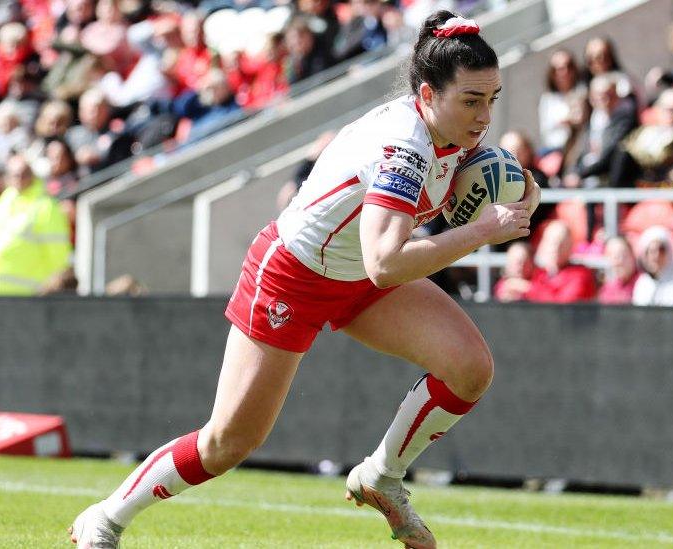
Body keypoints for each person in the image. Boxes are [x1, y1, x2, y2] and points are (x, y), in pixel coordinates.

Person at [68, 12, 540, 549]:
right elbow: (387, 261)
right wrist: (481, 232)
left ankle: (381, 477)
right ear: (429, 94)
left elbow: (458, 204)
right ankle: (104, 519)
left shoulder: (452, 129)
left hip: (358, 273)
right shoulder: (404, 145)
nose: (484, 117)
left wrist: (521, 194)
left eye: (492, 99)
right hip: (294, 275)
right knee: (228, 442)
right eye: (472, 101)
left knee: (470, 369)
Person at [0, 154, 73, 296]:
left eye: (23, 173)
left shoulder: (45, 207)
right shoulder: (2, 203)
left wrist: (50, 286)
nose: (18, 178)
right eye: (14, 174)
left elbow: (59, 256)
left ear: (32, 175)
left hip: (24, 297)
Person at [524, 222, 596, 303]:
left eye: (561, 243)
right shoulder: (540, 274)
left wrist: (529, 289)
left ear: (570, 246)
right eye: (551, 242)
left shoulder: (581, 275)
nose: (555, 247)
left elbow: (561, 306)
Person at [597, 235, 639, 304]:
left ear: (632, 256)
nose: (619, 262)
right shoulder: (607, 290)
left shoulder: (644, 284)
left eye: (623, 256)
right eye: (614, 257)